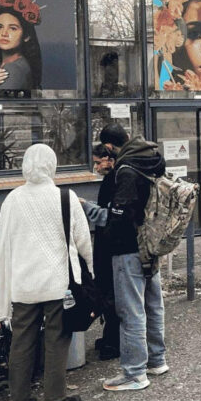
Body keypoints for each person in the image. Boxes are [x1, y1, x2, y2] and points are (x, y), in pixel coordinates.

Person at [0, 144, 93, 401]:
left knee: (21, 341)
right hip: (58, 283)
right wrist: (92, 270)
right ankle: (55, 399)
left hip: (23, 284)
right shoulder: (65, 197)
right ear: (52, 165)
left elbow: (3, 243)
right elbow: (83, 241)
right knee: (57, 339)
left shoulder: (12, 199)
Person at [97, 123, 168, 391]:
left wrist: (107, 232)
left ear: (109, 146)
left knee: (131, 311)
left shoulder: (126, 169)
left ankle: (135, 373)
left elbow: (121, 213)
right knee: (153, 304)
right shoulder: (151, 159)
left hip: (128, 248)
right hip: (151, 243)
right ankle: (157, 360)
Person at [79, 143, 121, 361]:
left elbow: (107, 214)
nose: (95, 167)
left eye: (97, 163)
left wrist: (86, 206)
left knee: (110, 294)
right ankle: (110, 338)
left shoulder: (115, 179)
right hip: (108, 244)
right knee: (107, 291)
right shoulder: (113, 178)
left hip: (110, 244)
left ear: (109, 159)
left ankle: (113, 343)